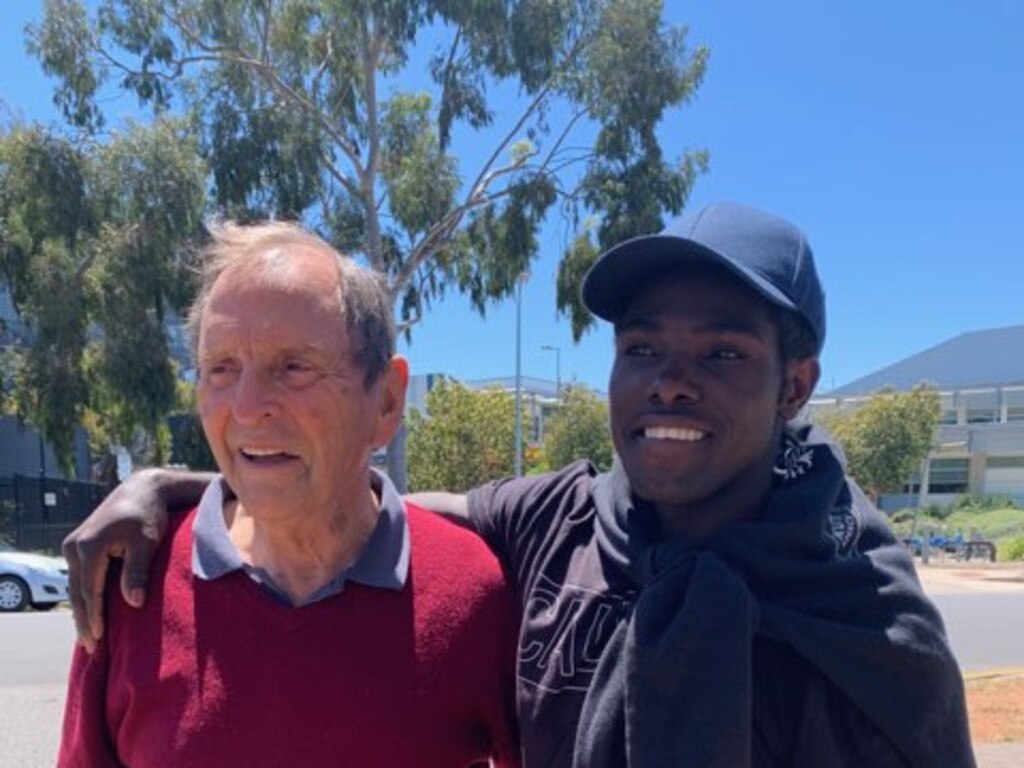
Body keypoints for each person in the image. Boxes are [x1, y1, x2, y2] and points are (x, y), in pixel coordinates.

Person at [64, 203, 974, 767]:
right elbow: (361, 497)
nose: (670, 382)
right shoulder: (559, 523)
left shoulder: (862, 608)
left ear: (796, 385)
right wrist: (184, 484)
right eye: (643, 348)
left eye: (723, 351)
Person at [57, 222, 520, 767]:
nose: (248, 408)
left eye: (294, 368)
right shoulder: (131, 587)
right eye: (221, 369)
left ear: (388, 401)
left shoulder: (478, 593)